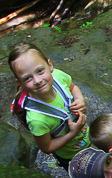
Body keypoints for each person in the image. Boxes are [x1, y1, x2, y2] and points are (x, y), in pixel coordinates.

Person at [8, 42, 90, 170]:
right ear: (20, 83)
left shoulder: (57, 76)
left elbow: (73, 87)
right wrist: (72, 133)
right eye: (28, 78)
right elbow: (47, 147)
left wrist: (80, 99)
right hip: (69, 156)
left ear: (50, 65)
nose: (37, 80)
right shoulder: (37, 119)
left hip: (87, 137)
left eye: (40, 71)